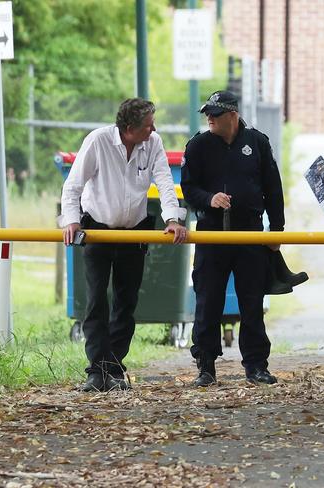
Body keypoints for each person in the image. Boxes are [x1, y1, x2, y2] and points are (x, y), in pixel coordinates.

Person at [60, 98, 187, 392]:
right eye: (148, 124)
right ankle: (96, 370)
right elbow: (73, 185)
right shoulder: (98, 141)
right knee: (95, 302)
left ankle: (113, 368)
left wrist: (172, 217)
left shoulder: (153, 142)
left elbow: (165, 182)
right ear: (129, 129)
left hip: (134, 231)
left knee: (126, 302)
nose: (153, 129)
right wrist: (71, 220)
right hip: (98, 231)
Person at [181, 90, 284, 387]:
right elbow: (188, 188)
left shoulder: (257, 142)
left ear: (233, 115)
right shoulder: (199, 145)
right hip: (212, 232)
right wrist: (209, 198)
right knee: (208, 300)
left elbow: (273, 189)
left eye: (215, 114)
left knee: (252, 301)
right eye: (207, 115)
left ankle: (256, 366)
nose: (209, 119)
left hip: (249, 231)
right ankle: (206, 365)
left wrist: (277, 230)